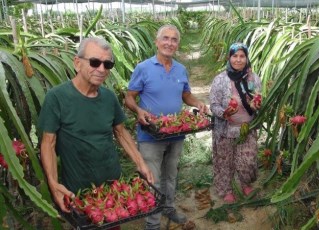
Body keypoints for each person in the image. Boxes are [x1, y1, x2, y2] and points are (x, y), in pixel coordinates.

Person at [38, 37, 154, 215]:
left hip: (112, 185)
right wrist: (53, 184)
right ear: (77, 63)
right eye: (94, 62)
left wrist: (141, 163)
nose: (101, 69)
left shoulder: (109, 98)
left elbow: (121, 132)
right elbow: (48, 143)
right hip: (78, 190)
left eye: (107, 64)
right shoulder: (56, 98)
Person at [124, 24, 207, 230]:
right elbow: (129, 97)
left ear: (178, 44)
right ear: (157, 41)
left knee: (171, 175)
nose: (169, 43)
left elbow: (185, 95)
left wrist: (197, 103)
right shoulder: (143, 68)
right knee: (153, 179)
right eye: (166, 38)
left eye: (174, 39)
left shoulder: (181, 69)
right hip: (150, 134)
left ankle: (169, 208)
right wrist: (138, 111)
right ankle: (152, 222)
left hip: (176, 132)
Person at [209, 42, 262, 203]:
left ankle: (245, 183)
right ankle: (226, 189)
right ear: (229, 58)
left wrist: (256, 105)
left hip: (247, 127)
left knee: (248, 160)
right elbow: (213, 105)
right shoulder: (220, 80)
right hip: (225, 129)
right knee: (225, 161)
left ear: (247, 58)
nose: (238, 60)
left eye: (242, 56)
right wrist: (224, 113)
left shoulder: (253, 78)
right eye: (235, 56)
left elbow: (258, 98)